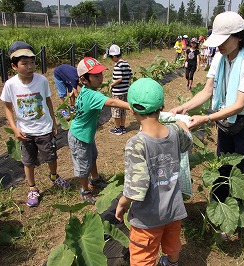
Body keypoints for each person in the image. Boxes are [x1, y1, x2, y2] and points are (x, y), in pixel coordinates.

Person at [170, 11, 244, 178]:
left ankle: (238, 202)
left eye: (224, 40)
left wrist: (206, 118)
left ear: (239, 37)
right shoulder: (220, 59)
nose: (219, 45)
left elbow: (239, 105)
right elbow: (207, 91)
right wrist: (183, 107)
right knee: (223, 165)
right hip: (225, 119)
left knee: (243, 170)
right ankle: (220, 200)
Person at [115, 78, 193, 266]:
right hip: (174, 210)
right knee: (172, 244)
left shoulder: (136, 143)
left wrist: (122, 203)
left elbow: (137, 188)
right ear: (162, 107)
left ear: (132, 109)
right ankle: (172, 263)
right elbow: (187, 143)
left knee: (143, 255)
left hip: (148, 218)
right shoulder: (174, 132)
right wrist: (181, 124)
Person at [0, 41, 70, 207]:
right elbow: (7, 107)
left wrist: (54, 121)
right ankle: (32, 188)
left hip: (44, 129)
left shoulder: (42, 81)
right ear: (14, 66)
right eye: (24, 63)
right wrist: (14, 128)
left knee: (51, 157)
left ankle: (54, 176)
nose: (30, 66)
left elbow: (48, 101)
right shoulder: (10, 85)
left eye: (32, 62)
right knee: (28, 162)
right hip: (25, 132)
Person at [68, 57, 130, 203]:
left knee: (92, 156)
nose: (100, 78)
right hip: (79, 136)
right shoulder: (93, 95)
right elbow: (113, 102)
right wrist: (130, 106)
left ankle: (95, 179)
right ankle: (84, 190)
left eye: (101, 74)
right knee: (83, 165)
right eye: (96, 75)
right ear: (84, 79)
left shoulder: (86, 90)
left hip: (85, 134)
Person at [108, 44, 133, 135]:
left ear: (114, 56)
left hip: (118, 92)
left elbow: (119, 79)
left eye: (111, 57)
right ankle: (123, 127)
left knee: (116, 111)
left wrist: (111, 84)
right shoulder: (126, 63)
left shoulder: (117, 65)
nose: (111, 59)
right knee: (123, 110)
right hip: (125, 90)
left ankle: (117, 128)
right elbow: (130, 76)